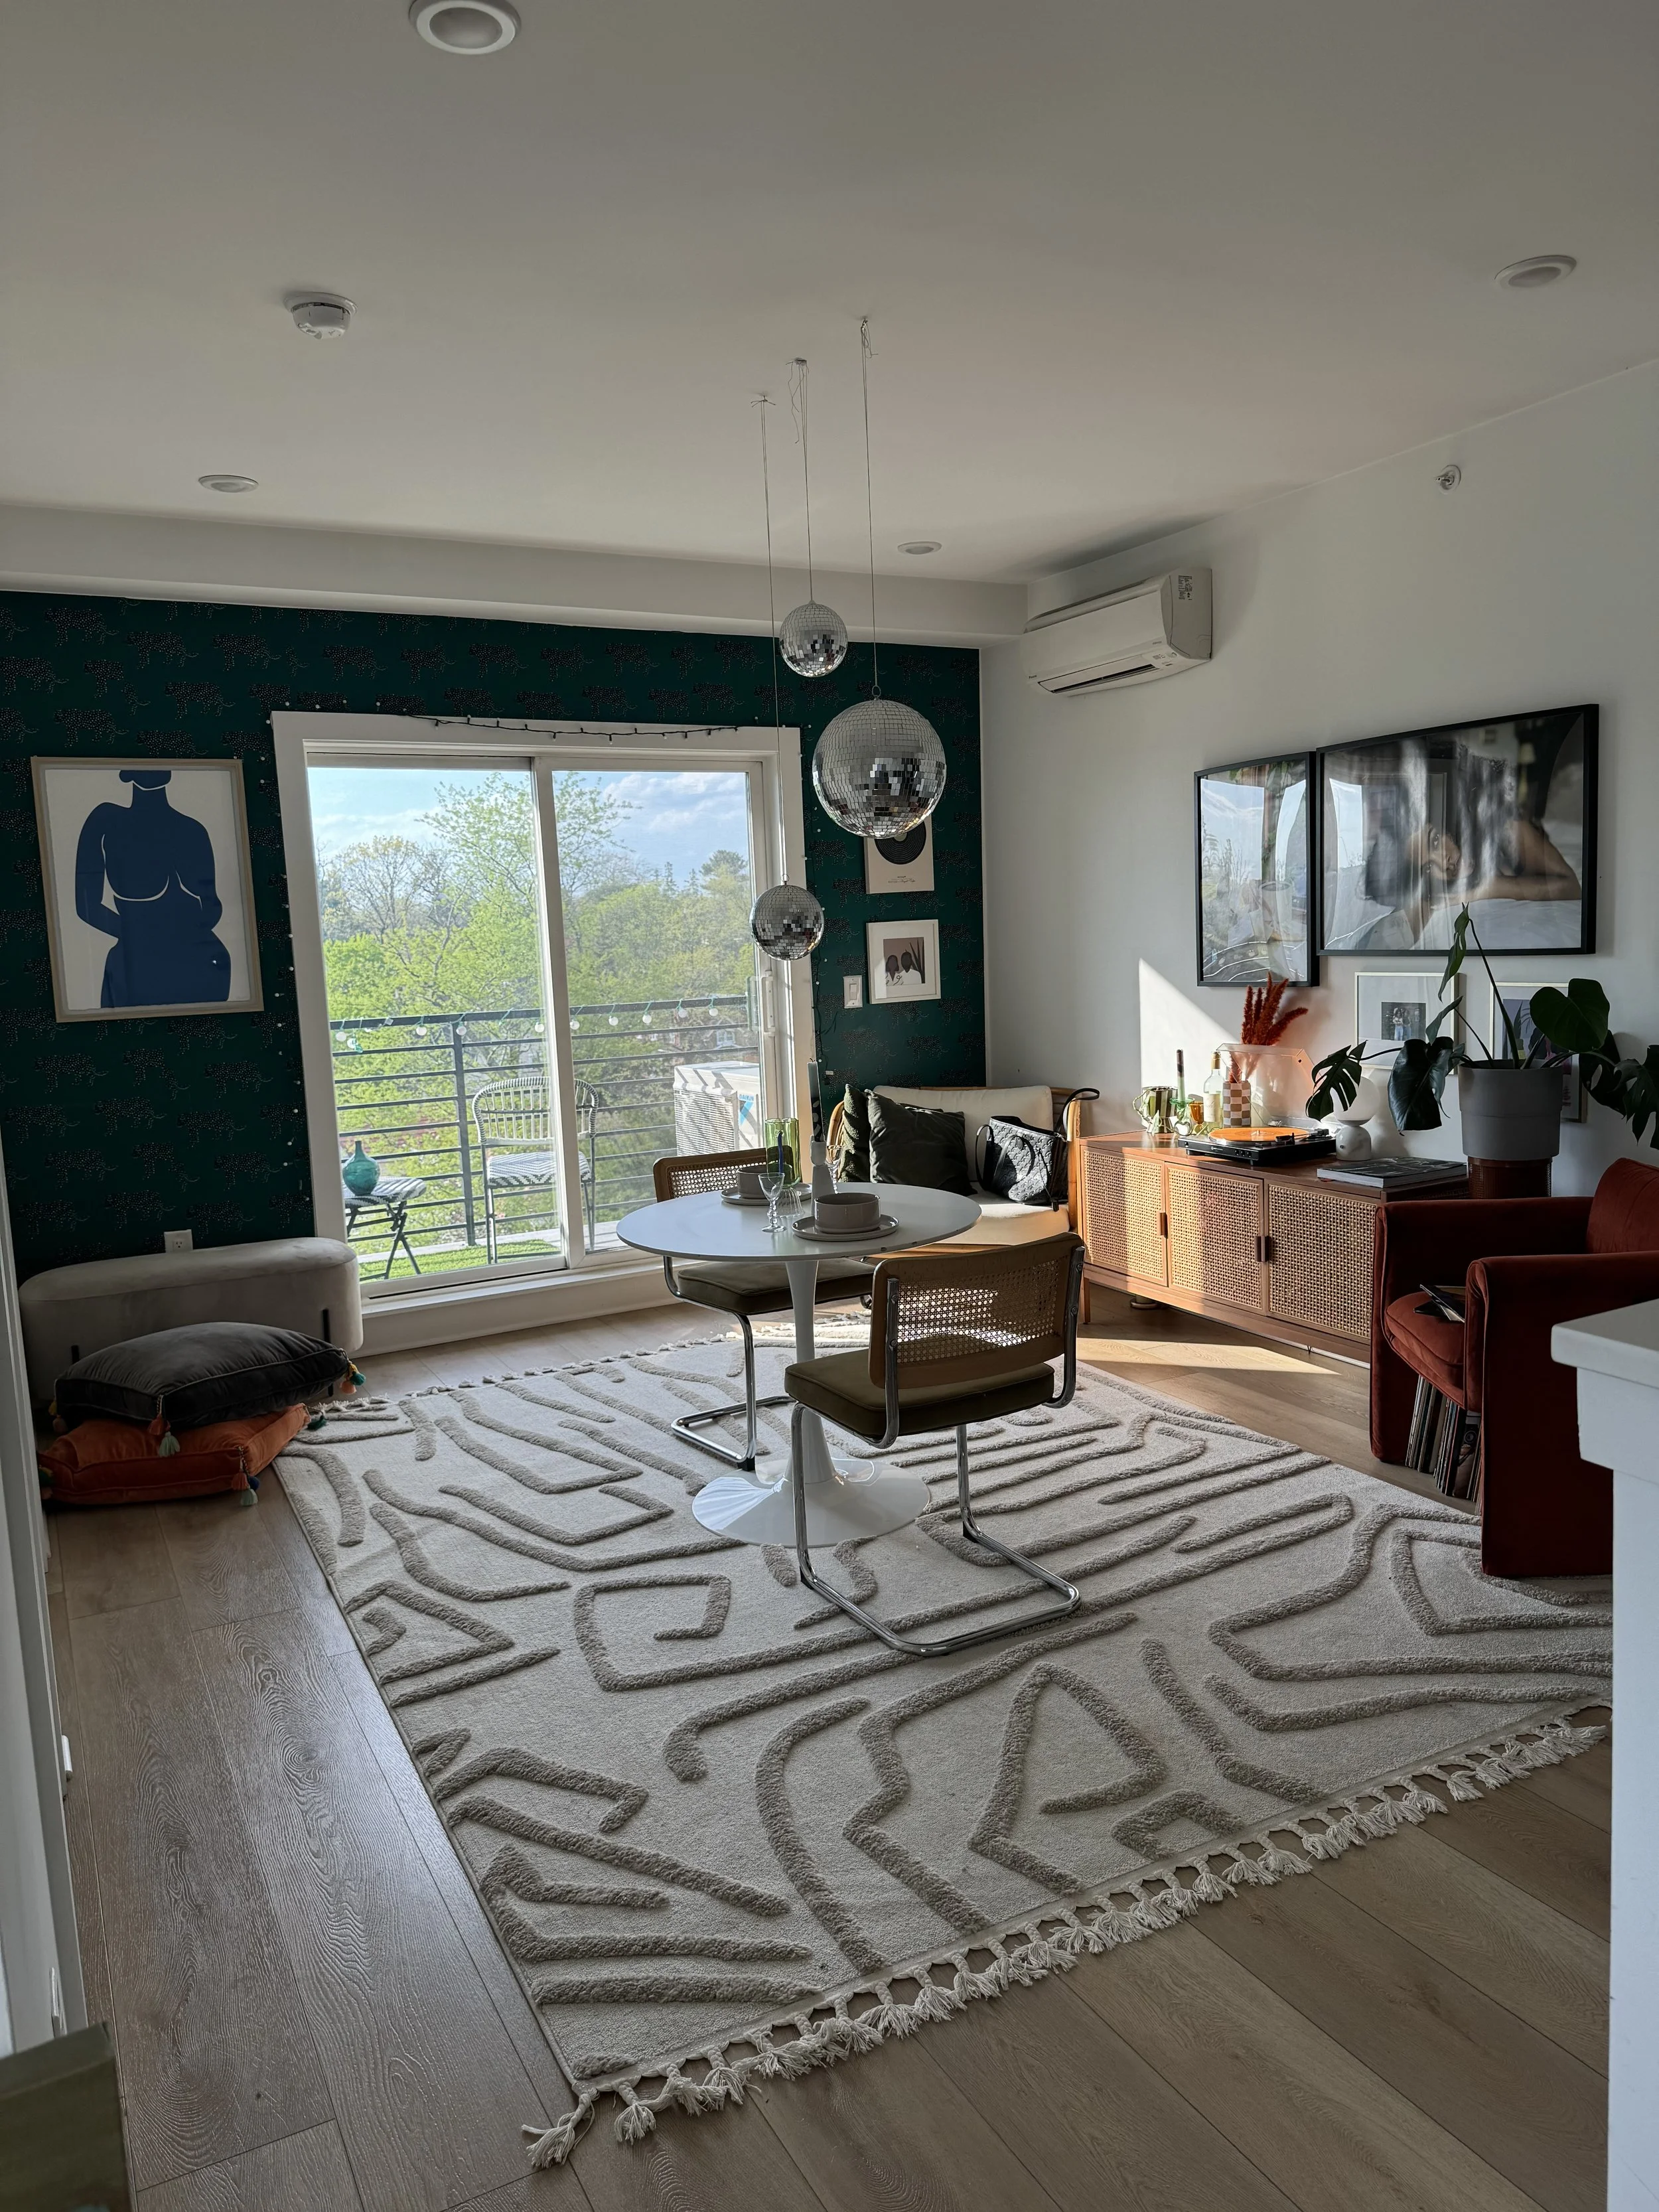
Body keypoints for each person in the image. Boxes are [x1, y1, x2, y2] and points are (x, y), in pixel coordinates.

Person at [75, 768, 232, 1007]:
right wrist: (138, 937)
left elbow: (213, 905)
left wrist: (146, 937)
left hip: (198, 963)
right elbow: (87, 907)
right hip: (143, 963)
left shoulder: (192, 830)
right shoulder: (106, 820)